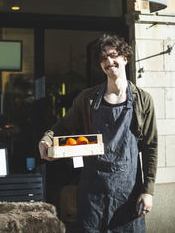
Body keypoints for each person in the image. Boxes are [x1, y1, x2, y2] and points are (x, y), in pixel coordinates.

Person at [39, 33, 158, 233]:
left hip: (128, 193)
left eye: (113, 55)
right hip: (93, 193)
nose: (109, 62)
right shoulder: (87, 99)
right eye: (103, 58)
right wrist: (46, 139)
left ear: (125, 58)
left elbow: (150, 147)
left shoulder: (142, 100)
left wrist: (148, 191)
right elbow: (63, 126)